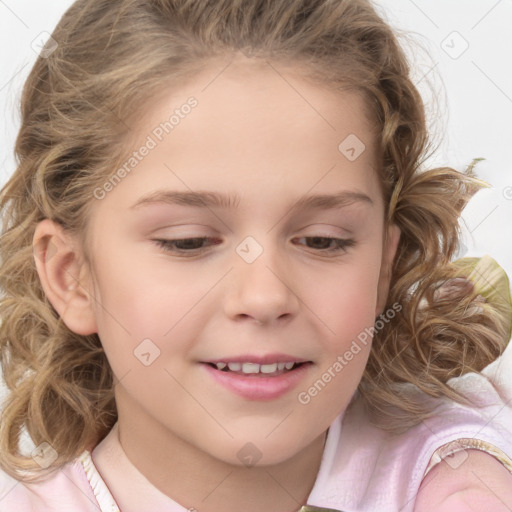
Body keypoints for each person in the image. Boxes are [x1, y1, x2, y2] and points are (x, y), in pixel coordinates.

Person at [0, 1, 511, 511]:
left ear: (383, 268)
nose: (265, 296)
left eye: (323, 240)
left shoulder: (467, 479)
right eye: (188, 241)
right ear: (72, 277)